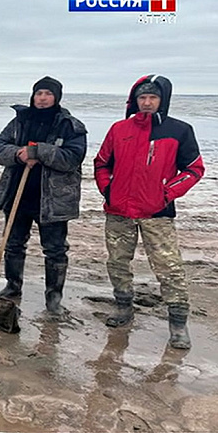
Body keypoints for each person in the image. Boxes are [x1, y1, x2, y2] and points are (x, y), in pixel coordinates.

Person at [94, 74, 204, 349]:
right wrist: (108, 189)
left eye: (152, 97)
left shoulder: (179, 130)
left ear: (162, 100)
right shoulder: (119, 129)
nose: (146, 102)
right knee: (118, 262)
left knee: (170, 267)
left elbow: (194, 169)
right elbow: (101, 162)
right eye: (142, 98)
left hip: (157, 213)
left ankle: (178, 323)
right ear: (135, 100)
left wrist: (166, 193)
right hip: (119, 211)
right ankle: (123, 306)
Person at [0, 76, 87, 315]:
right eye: (38, 94)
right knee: (13, 244)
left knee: (55, 249)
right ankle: (13, 287)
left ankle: (53, 299)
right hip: (17, 193)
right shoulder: (20, 121)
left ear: (57, 97)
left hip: (53, 200)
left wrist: (40, 151)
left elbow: (72, 158)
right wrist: (19, 154)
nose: (42, 98)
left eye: (48, 94)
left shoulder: (70, 125)